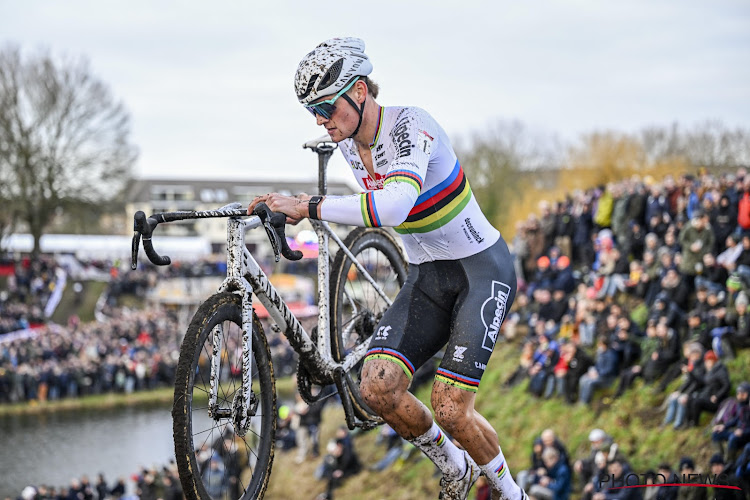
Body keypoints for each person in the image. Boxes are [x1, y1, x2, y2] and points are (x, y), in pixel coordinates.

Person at [249, 37, 522, 500]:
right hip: (428, 276)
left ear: (359, 91)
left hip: (481, 269)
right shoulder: (350, 144)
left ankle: (513, 495)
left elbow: (394, 206)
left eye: (325, 107)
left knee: (452, 409)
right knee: (376, 388)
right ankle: (455, 467)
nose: (319, 120)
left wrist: (308, 205)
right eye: (311, 110)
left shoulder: (410, 125)